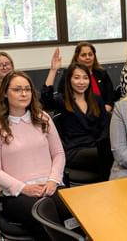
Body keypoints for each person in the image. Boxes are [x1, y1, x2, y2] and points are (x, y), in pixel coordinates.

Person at [0, 71, 71, 241]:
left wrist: (53, 180)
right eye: (17, 89)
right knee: (44, 215)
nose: (24, 94)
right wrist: (24, 188)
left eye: (27, 89)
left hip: (50, 185)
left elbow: (58, 153)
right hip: (16, 194)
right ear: (5, 94)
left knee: (74, 213)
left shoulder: (43, 118)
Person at [41, 48, 109, 177]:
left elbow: (104, 126)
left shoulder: (96, 99)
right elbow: (45, 101)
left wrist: (102, 144)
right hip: (75, 150)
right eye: (76, 78)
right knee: (107, 157)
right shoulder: (62, 100)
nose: (81, 82)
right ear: (69, 80)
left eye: (85, 78)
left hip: (97, 147)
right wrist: (53, 70)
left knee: (112, 153)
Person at [57, 42, 115, 112]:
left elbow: (110, 96)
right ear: (77, 57)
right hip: (76, 113)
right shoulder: (68, 73)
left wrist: (106, 108)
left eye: (90, 54)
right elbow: (62, 95)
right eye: (83, 55)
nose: (87, 57)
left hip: (102, 112)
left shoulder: (101, 73)